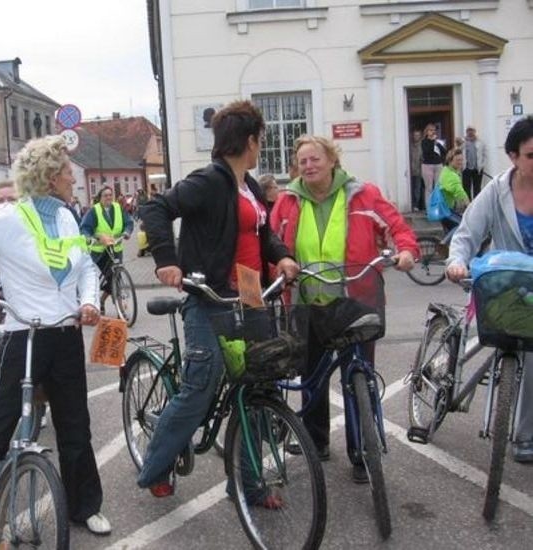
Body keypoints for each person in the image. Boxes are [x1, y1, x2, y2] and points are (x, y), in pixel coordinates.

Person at [0, 135, 111, 537]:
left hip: (66, 334)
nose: (74, 177)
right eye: (69, 171)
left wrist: (89, 301)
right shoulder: (8, 218)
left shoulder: (69, 216)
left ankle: (85, 506)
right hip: (25, 335)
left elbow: (85, 266)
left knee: (76, 427)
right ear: (51, 176)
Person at [138, 100, 299, 497]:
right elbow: (156, 208)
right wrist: (166, 261)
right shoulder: (210, 181)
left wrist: (281, 257)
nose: (260, 146)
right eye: (260, 139)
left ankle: (247, 484)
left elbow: (262, 234)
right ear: (250, 140)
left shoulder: (250, 187)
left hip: (250, 295)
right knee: (201, 387)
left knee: (259, 388)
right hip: (210, 298)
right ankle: (155, 469)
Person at [270, 134, 418, 482]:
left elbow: (396, 225)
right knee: (312, 376)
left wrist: (408, 250)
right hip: (307, 301)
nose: (308, 165)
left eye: (315, 159)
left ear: (332, 160)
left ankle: (361, 450)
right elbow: (272, 241)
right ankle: (316, 441)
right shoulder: (289, 201)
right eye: (302, 161)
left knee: (359, 376)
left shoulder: (363, 194)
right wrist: (278, 263)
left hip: (356, 300)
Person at [446, 115, 533, 463]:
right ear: (513, 156)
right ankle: (525, 436)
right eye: (531, 155)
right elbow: (467, 233)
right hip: (505, 286)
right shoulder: (496, 192)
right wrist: (457, 261)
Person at [80, 185, 134, 314]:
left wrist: (126, 232)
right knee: (109, 278)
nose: (109, 197)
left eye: (110, 195)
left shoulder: (118, 208)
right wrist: (92, 237)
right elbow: (85, 228)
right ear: (100, 198)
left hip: (115, 248)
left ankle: (107, 302)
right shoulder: (94, 211)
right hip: (100, 251)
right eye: (105, 195)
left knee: (115, 276)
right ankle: (118, 308)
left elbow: (128, 222)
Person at [438, 148, 470, 235]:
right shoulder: (451, 175)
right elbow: (460, 193)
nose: (460, 162)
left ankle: (448, 246)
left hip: (444, 209)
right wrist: (470, 206)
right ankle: (445, 246)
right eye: (457, 160)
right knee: (462, 228)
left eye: (461, 160)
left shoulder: (446, 170)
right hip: (446, 210)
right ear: (450, 161)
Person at [421, 123, 447, 210]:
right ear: (427, 132)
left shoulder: (437, 142)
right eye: (430, 130)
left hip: (438, 164)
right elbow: (427, 152)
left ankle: (437, 207)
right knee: (429, 187)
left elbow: (444, 152)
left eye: (434, 130)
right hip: (428, 165)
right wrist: (432, 141)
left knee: (437, 186)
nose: (432, 132)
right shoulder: (424, 141)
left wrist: (438, 144)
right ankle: (429, 208)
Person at [462, 125, 488, 200]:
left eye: (472, 130)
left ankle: (476, 204)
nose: (470, 132)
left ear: (474, 132)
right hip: (466, 168)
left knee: (477, 188)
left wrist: (482, 165)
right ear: (466, 132)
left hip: (477, 169)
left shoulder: (480, 142)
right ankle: (468, 205)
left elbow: (485, 155)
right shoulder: (463, 142)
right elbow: (458, 152)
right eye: (468, 130)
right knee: (466, 188)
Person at [409, 129, 424, 211]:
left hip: (420, 170)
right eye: (415, 135)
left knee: (418, 189)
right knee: (412, 188)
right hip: (411, 170)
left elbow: (423, 158)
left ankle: (417, 205)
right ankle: (413, 204)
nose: (416, 137)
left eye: (417, 135)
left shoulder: (422, 146)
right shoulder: (410, 146)